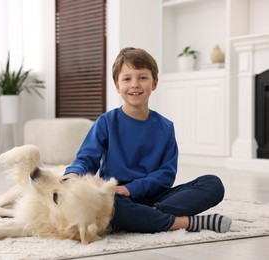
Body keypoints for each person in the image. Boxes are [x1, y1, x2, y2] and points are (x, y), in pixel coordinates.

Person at [63, 47, 231, 234]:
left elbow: (166, 174)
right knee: (108, 205)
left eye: (142, 77)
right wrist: (73, 175)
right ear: (118, 86)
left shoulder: (166, 127)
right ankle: (186, 223)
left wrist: (131, 189)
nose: (135, 84)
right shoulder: (106, 122)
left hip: (157, 198)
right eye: (127, 79)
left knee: (213, 184)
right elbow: (86, 158)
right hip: (116, 197)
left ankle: (143, 218)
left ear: (154, 83)